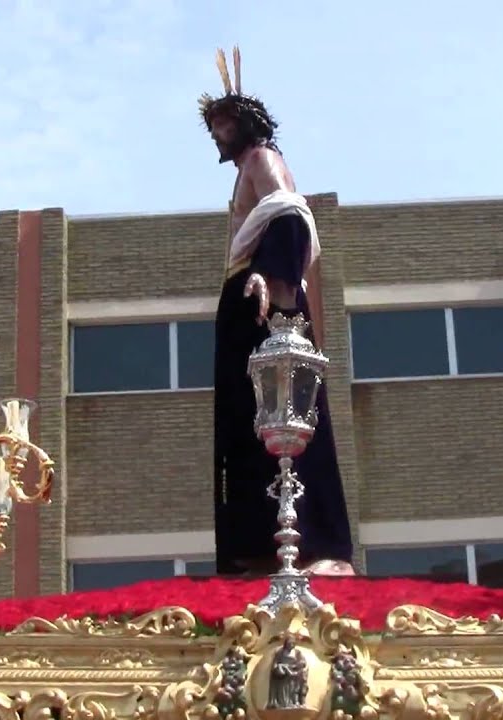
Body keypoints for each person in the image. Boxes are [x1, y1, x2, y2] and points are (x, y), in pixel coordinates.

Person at [201, 47, 355, 577]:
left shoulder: (263, 159)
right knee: (250, 421)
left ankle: (312, 545)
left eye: (224, 124)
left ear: (245, 123)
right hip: (248, 295)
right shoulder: (245, 167)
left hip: (265, 296)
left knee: (284, 414)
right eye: (214, 127)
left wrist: (271, 274)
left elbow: (291, 216)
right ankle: (259, 546)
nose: (218, 135)